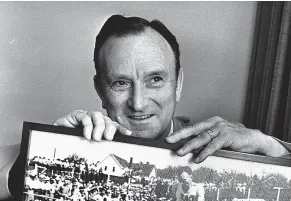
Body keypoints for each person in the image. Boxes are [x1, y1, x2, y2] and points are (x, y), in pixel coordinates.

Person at [54, 14, 291, 170]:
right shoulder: (78, 140)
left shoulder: (218, 147)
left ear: (177, 85)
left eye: (155, 79)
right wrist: (44, 147)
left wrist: (270, 146)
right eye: (121, 83)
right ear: (100, 90)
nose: (138, 103)